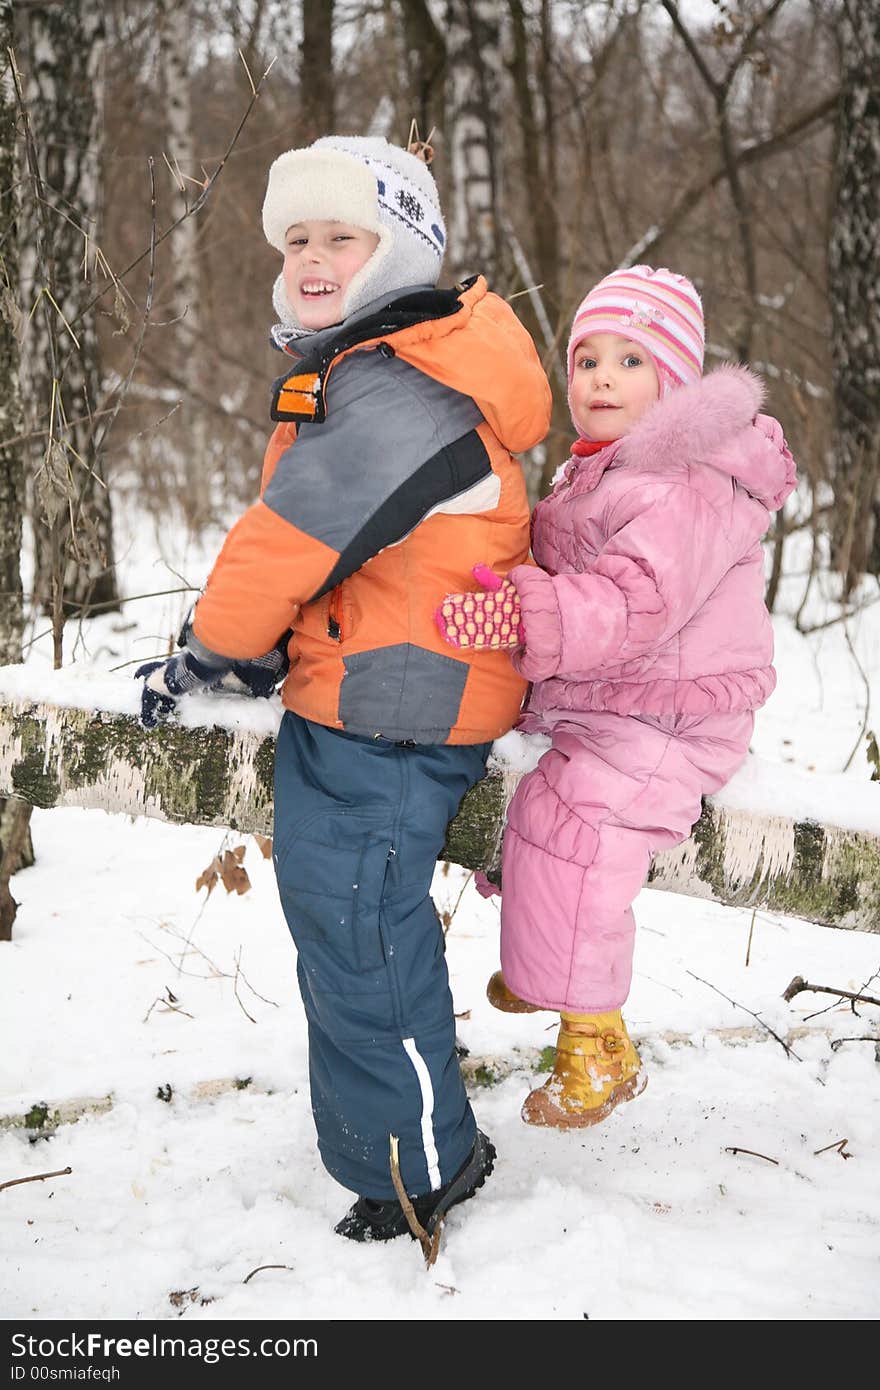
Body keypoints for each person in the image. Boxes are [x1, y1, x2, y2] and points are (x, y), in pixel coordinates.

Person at [135, 135, 552, 1238]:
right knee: (340, 921)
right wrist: (271, 649)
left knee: (360, 926)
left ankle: (425, 1165)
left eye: (342, 236)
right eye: (297, 237)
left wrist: (214, 650)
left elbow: (291, 539)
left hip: (401, 713)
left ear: (400, 252)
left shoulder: (407, 392)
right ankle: (396, 1139)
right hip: (369, 694)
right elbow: (344, 554)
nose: (313, 256)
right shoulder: (378, 367)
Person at [437, 264, 796, 1129]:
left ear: (674, 382)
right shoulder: (604, 471)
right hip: (618, 700)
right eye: (587, 359)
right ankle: (550, 968)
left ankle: (597, 1040)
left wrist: (525, 608)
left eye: (630, 362)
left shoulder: (684, 485)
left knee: (582, 824)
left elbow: (632, 603)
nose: (601, 378)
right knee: (532, 801)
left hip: (675, 716)